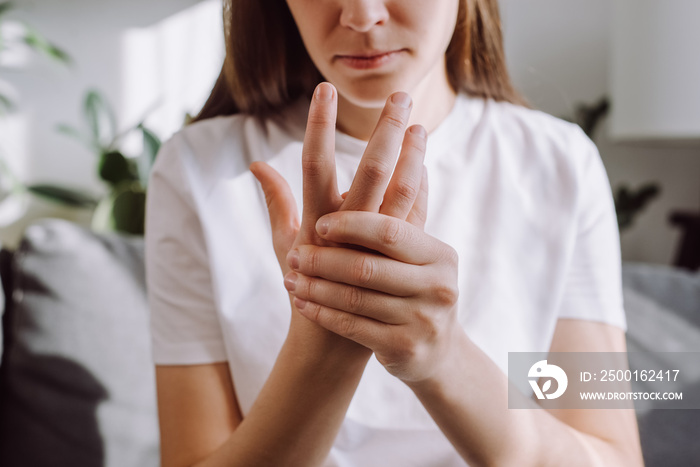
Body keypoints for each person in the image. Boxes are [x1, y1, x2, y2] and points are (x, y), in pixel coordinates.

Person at [145, 0, 645, 466]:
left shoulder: (559, 165)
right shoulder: (198, 169)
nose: (362, 16)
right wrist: (323, 350)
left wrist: (441, 355)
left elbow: (612, 457)